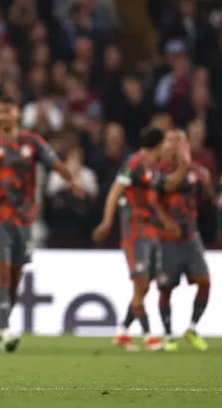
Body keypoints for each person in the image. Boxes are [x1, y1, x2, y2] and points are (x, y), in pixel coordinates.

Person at [0, 97, 81, 352]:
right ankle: (3, 328)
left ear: (17, 113)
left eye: (6, 111)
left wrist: (72, 181)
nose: (1, 116)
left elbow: (54, 162)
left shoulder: (31, 141)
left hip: (24, 218)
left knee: (16, 276)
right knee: (3, 270)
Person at [93, 126, 179, 351]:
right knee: (140, 282)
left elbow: (153, 199)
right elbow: (115, 191)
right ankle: (149, 335)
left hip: (150, 231)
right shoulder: (134, 163)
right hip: (134, 231)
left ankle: (122, 332)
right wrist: (107, 220)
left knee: (144, 286)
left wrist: (167, 222)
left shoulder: (155, 167)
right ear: (159, 144)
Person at [155, 129, 213, 352]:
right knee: (166, 288)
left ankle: (192, 327)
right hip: (167, 240)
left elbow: (209, 199)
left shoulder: (195, 170)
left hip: (191, 237)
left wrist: (208, 183)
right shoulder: (159, 170)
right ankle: (168, 334)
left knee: (205, 282)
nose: (175, 144)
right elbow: (167, 187)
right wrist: (186, 165)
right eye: (170, 140)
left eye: (180, 140)